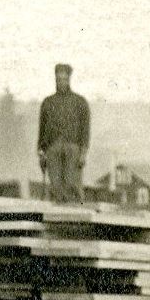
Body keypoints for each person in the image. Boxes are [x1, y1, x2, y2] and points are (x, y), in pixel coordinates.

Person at [37, 63, 90, 203]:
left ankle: (76, 217)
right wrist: (41, 153)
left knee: (72, 185)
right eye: (58, 79)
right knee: (55, 187)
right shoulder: (48, 103)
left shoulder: (80, 102)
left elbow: (85, 130)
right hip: (53, 149)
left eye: (64, 79)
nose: (61, 82)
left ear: (69, 79)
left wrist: (83, 153)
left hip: (73, 150)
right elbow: (42, 130)